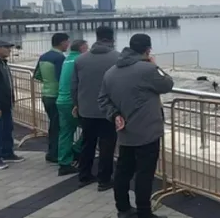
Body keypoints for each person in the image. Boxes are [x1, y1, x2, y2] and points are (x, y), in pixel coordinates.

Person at [98, 33, 174, 218]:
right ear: (147, 49)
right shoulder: (146, 70)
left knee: (123, 172)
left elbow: (102, 99)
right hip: (147, 132)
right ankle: (144, 213)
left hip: (125, 133)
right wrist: (154, 65)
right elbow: (167, 84)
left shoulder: (111, 72)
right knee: (144, 175)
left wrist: (114, 115)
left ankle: (123, 209)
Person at [72, 26, 119, 190]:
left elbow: (74, 86)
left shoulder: (80, 59)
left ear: (96, 37)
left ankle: (84, 176)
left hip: (86, 109)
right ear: (112, 39)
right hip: (108, 111)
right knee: (107, 146)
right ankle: (104, 180)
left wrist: (76, 104)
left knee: (87, 143)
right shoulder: (117, 58)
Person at [0, 40, 25, 170]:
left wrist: (11, 99)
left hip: (5, 103)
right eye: (6, 47)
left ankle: (7, 153)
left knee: (7, 128)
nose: (9, 49)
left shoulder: (2, 63)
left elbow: (6, 83)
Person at [34, 32, 70, 163]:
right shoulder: (60, 58)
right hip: (56, 96)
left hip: (46, 94)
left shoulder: (44, 56)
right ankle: (54, 153)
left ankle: (52, 151)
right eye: (67, 42)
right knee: (59, 126)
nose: (68, 45)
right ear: (62, 43)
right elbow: (63, 78)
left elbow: (37, 75)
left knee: (53, 124)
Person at [56, 39, 88, 176]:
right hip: (72, 101)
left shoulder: (67, 59)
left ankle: (64, 162)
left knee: (66, 132)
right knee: (90, 128)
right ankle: (77, 150)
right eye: (87, 47)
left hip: (61, 100)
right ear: (81, 48)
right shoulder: (81, 60)